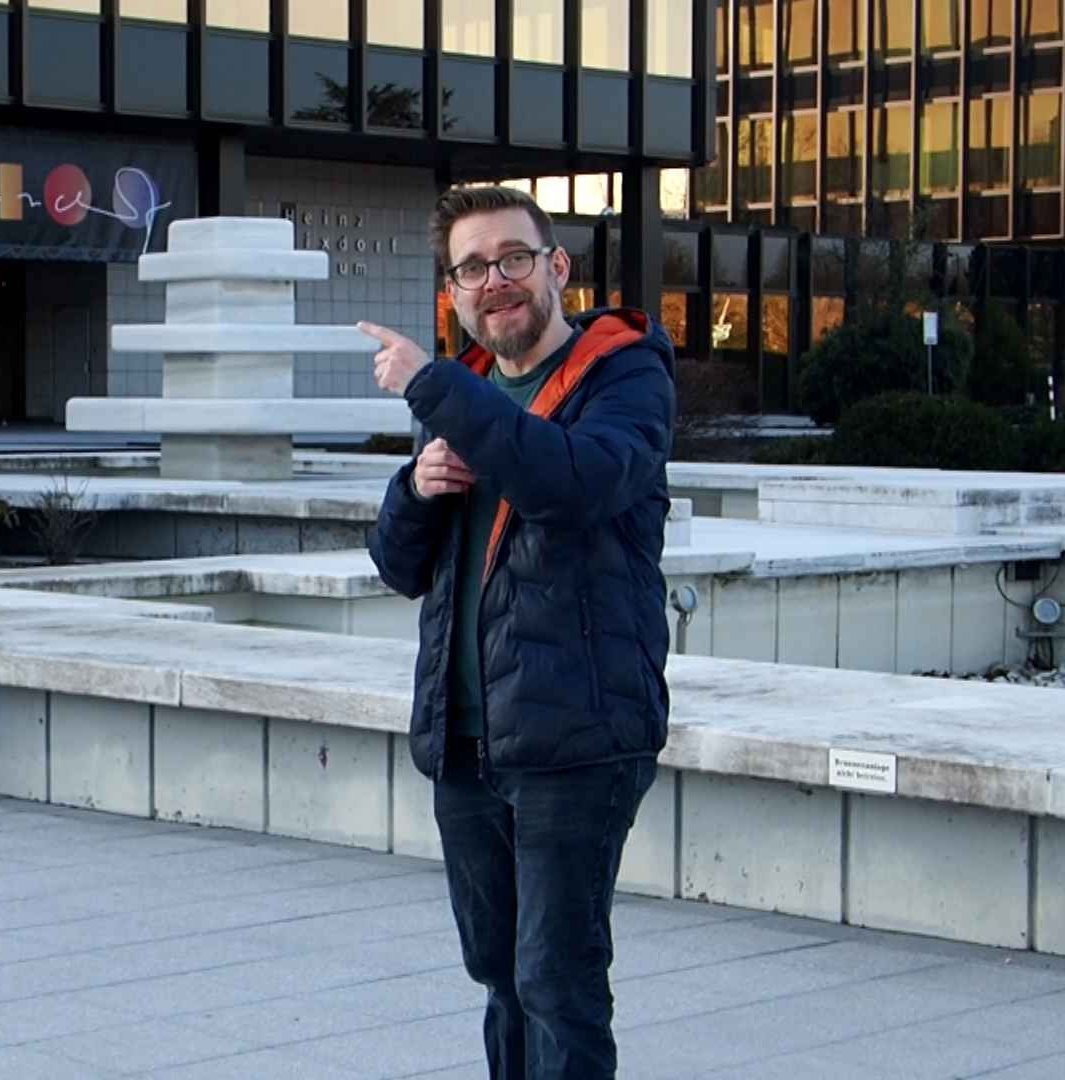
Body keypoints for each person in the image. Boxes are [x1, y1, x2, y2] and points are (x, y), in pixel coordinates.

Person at [360, 183, 676, 1080]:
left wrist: (436, 386)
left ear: (556, 269)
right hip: (467, 744)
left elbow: (574, 483)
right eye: (471, 268)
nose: (493, 280)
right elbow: (398, 566)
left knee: (557, 982)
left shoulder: (625, 374)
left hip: (576, 740)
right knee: (499, 976)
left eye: (512, 259)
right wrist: (415, 489)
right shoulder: (460, 397)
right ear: (453, 293)